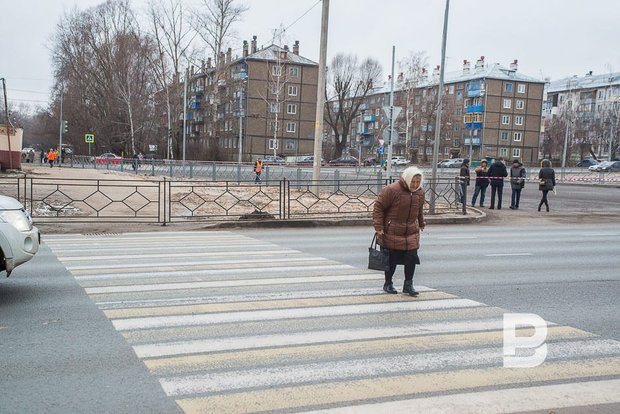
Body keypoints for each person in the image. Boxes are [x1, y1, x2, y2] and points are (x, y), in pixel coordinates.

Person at [372, 166, 426, 296]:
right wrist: (379, 227)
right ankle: (388, 283)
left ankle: (408, 285)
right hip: (392, 230)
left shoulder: (420, 192)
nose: (415, 185)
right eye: (413, 181)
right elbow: (378, 207)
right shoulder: (392, 190)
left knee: (411, 258)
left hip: (411, 230)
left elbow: (419, 209)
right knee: (392, 259)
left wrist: (421, 223)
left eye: (418, 182)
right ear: (407, 179)